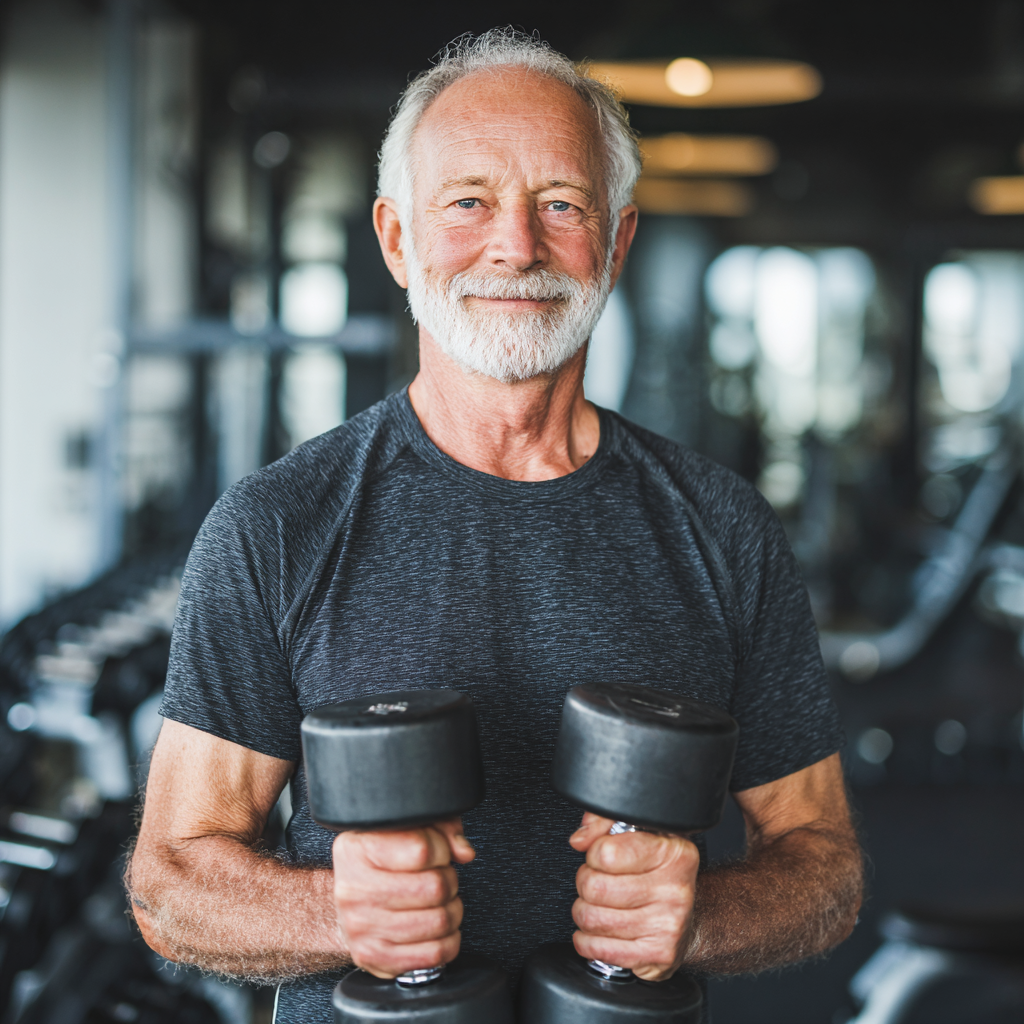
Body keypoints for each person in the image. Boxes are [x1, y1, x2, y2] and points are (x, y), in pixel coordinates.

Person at [127, 28, 863, 1023]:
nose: (514, 246)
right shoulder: (278, 526)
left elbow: (822, 870)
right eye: (468, 202)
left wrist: (694, 918)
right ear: (396, 240)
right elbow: (170, 887)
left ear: (616, 240)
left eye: (560, 204)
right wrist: (344, 910)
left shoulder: (722, 528)